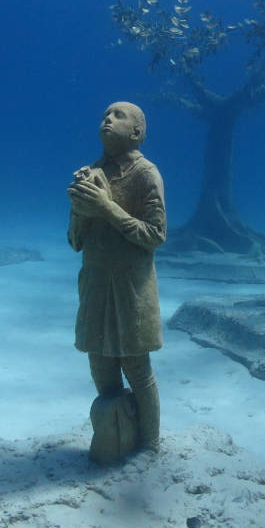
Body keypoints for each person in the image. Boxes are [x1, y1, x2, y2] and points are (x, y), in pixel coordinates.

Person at [67, 101, 166, 460]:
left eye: (118, 115)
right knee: (101, 365)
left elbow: (155, 236)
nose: (107, 118)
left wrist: (107, 207)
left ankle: (150, 446)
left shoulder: (146, 174)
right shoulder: (93, 173)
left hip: (130, 289)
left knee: (137, 369)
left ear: (137, 132)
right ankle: (116, 439)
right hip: (94, 286)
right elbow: (76, 242)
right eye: (104, 114)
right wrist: (80, 208)